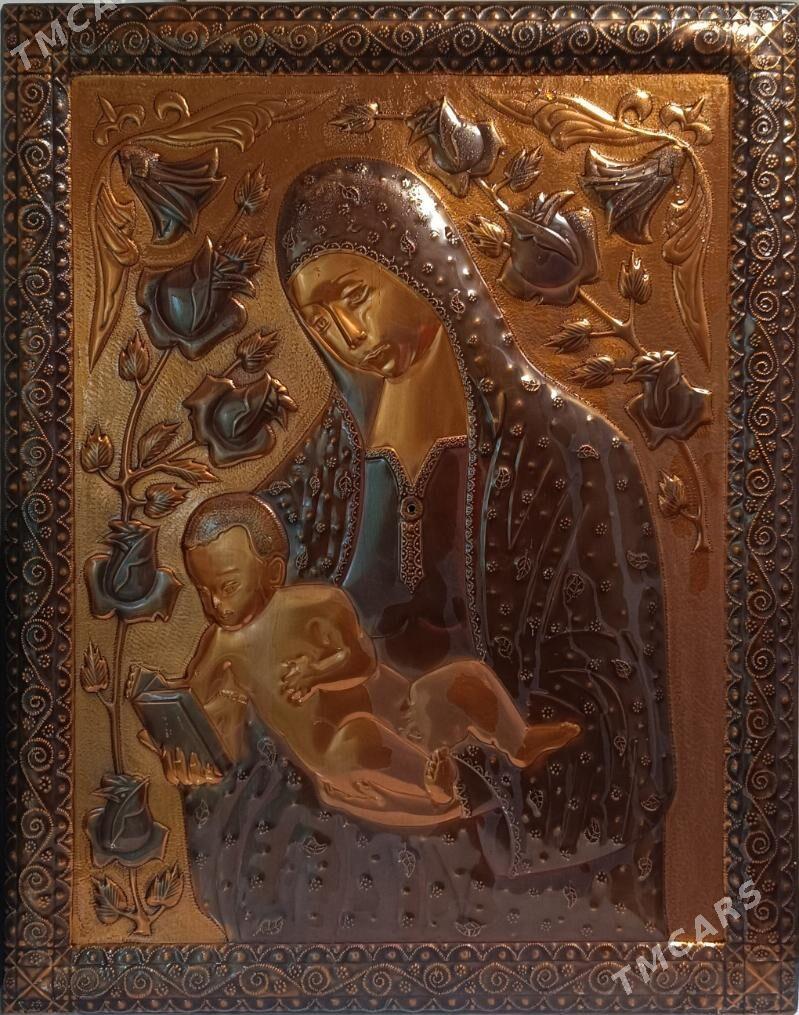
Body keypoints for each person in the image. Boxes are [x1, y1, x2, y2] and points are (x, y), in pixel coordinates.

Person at [159, 492, 580, 829]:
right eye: (204, 591)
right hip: (340, 748)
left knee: (465, 676)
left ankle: (518, 740)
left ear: (271, 573)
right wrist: (187, 753)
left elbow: (362, 662)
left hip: (406, 710)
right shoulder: (221, 650)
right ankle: (431, 784)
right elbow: (206, 721)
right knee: (358, 741)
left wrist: (317, 673)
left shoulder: (318, 606)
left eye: (228, 586)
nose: (216, 605)